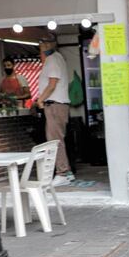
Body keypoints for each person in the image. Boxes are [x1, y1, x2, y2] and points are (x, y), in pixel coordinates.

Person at [36, 35, 74, 186]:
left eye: (42, 43)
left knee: (54, 140)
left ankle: (62, 173)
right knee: (57, 139)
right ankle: (67, 172)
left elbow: (52, 85)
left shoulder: (53, 60)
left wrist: (40, 99)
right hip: (57, 104)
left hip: (55, 104)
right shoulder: (56, 59)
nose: (41, 46)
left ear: (48, 45)